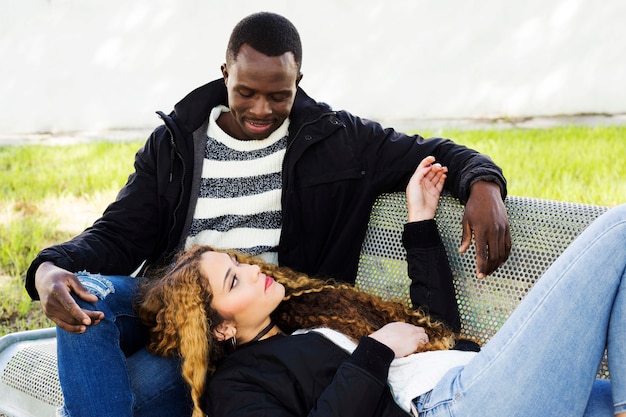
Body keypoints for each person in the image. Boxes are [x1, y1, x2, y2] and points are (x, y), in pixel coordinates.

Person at [27, 12, 510, 417]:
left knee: (130, 393)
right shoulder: (177, 143)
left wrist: (484, 185)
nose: (260, 109)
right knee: (83, 293)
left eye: (279, 95)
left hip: (239, 330)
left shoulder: (338, 142)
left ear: (298, 81)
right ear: (225, 74)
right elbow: (118, 232)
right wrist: (48, 268)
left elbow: (439, 151)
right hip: (177, 294)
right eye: (246, 92)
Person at [138, 155, 626, 417]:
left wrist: (420, 221)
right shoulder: (236, 388)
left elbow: (431, 333)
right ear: (220, 329)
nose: (252, 268)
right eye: (234, 279)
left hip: (471, 381)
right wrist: (374, 352)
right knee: (619, 230)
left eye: (238, 262)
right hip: (454, 404)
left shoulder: (308, 318)